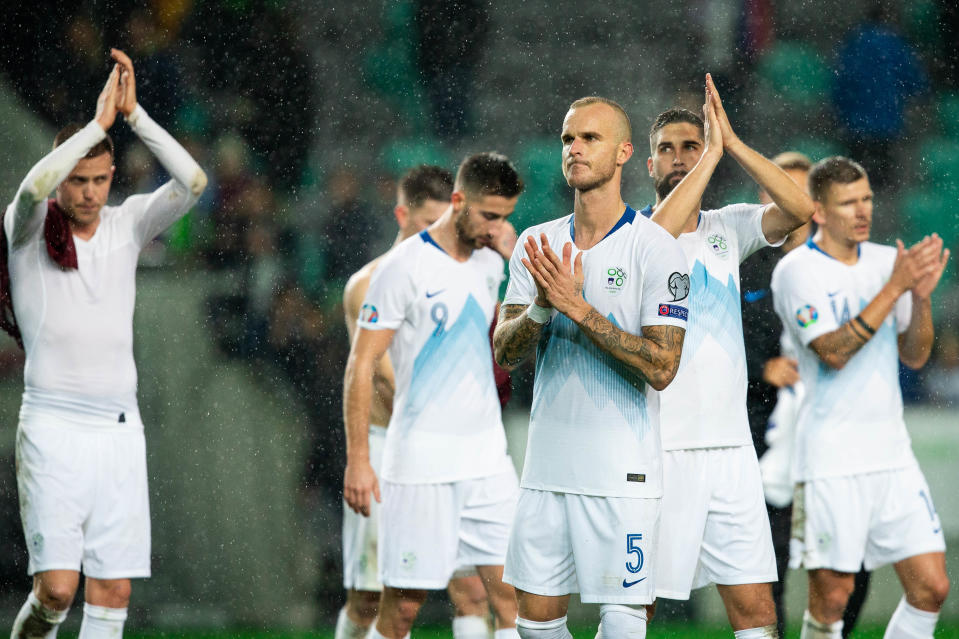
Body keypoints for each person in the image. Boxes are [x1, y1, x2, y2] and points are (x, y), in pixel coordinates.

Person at [1, 50, 206, 639]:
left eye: (99, 179)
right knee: (56, 592)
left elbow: (192, 181)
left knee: (113, 589)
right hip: (52, 426)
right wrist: (95, 125)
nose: (89, 193)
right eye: (79, 180)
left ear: (112, 178)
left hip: (119, 429)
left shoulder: (128, 223)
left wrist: (134, 118)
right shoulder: (30, 228)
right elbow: (32, 185)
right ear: (64, 178)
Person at [493, 96, 689, 639]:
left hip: (621, 475)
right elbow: (505, 351)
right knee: (534, 626)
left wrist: (578, 309)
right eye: (567, 139)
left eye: (589, 138)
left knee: (624, 628)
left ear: (625, 152)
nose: (574, 148)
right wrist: (540, 307)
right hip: (547, 470)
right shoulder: (537, 244)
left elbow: (663, 365)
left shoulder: (656, 250)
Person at [639, 74, 816, 638]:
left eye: (691, 145)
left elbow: (800, 206)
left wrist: (732, 146)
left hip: (733, 452)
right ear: (647, 164)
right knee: (633, 608)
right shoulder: (632, 233)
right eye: (666, 148)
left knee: (757, 614)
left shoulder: (728, 228)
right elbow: (658, 244)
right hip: (658, 450)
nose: (679, 157)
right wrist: (707, 159)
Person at [343, 153, 524, 639]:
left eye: (505, 216)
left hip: (487, 462)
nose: (497, 227)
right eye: (489, 215)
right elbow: (361, 366)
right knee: (401, 609)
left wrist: (509, 250)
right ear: (459, 201)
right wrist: (359, 459)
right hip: (419, 464)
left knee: (512, 599)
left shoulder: (492, 264)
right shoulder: (403, 267)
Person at [771, 156, 950, 639]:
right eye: (848, 202)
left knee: (931, 588)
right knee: (833, 598)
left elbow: (914, 356)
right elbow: (832, 352)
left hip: (891, 456)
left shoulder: (886, 261)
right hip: (830, 460)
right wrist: (896, 288)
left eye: (867, 198)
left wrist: (922, 297)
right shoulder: (796, 271)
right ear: (819, 211)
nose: (863, 210)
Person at [741, 152, 873, 639]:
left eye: (802, 193)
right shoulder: (741, 265)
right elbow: (703, 346)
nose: (793, 202)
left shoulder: (843, 265)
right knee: (765, 560)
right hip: (761, 431)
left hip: (830, 431)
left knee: (849, 557)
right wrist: (759, 369)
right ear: (764, 197)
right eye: (781, 189)